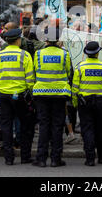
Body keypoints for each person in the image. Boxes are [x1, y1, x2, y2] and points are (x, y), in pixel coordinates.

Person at [0, 29, 36, 166]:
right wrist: (30, 94)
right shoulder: (25, 55)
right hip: (20, 96)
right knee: (25, 126)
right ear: (18, 40)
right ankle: (25, 156)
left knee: (6, 126)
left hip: (4, 96)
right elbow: (30, 79)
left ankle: (9, 158)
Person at [32, 26, 72, 168]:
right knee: (57, 127)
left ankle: (41, 159)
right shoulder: (65, 54)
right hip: (59, 95)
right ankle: (56, 159)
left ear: (46, 39)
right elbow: (68, 72)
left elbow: (35, 71)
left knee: (44, 126)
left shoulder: (38, 54)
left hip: (42, 94)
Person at [71, 41, 102, 166]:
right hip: (101, 102)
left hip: (85, 103)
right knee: (101, 129)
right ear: (97, 53)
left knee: (87, 129)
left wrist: (75, 103)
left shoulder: (80, 67)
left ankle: (89, 158)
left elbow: (75, 88)